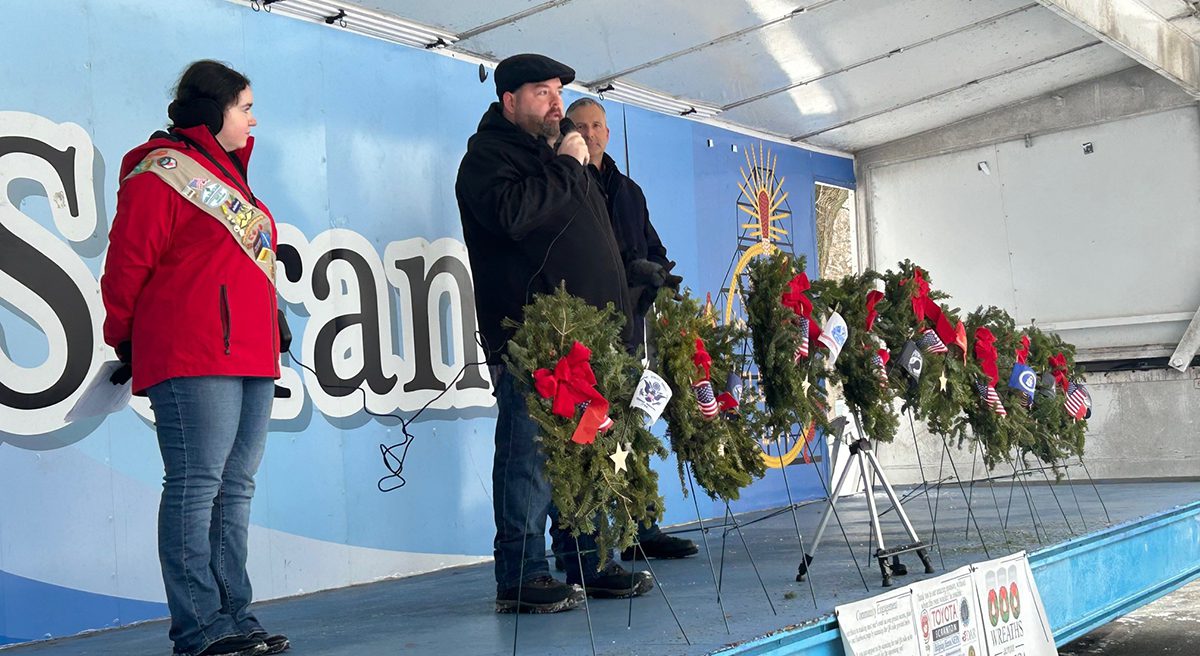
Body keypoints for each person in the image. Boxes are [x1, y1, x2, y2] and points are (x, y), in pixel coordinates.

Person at [101, 60, 289, 656]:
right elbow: (127, 264)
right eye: (246, 106)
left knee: (235, 487)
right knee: (197, 483)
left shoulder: (231, 177)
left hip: (250, 350)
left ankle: (235, 617)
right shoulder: (162, 173)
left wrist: (273, 315)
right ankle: (198, 627)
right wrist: (124, 336)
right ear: (215, 111)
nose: (254, 118)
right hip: (191, 348)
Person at [455, 53, 654, 614]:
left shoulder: (560, 156)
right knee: (530, 456)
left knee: (586, 452)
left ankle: (587, 562)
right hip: (533, 341)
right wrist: (569, 167)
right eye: (542, 93)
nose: (555, 104)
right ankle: (521, 573)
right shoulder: (488, 158)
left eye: (558, 93)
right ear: (509, 101)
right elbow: (516, 216)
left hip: (588, 340)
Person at [565, 97, 699, 563]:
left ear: (608, 131)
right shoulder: (568, 183)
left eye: (598, 125)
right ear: (570, 133)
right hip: (589, 332)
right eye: (581, 126)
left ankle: (644, 527)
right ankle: (598, 540)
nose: (592, 132)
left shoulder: (629, 191)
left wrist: (658, 271)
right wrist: (628, 270)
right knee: (594, 431)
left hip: (633, 328)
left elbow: (655, 245)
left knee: (635, 424)